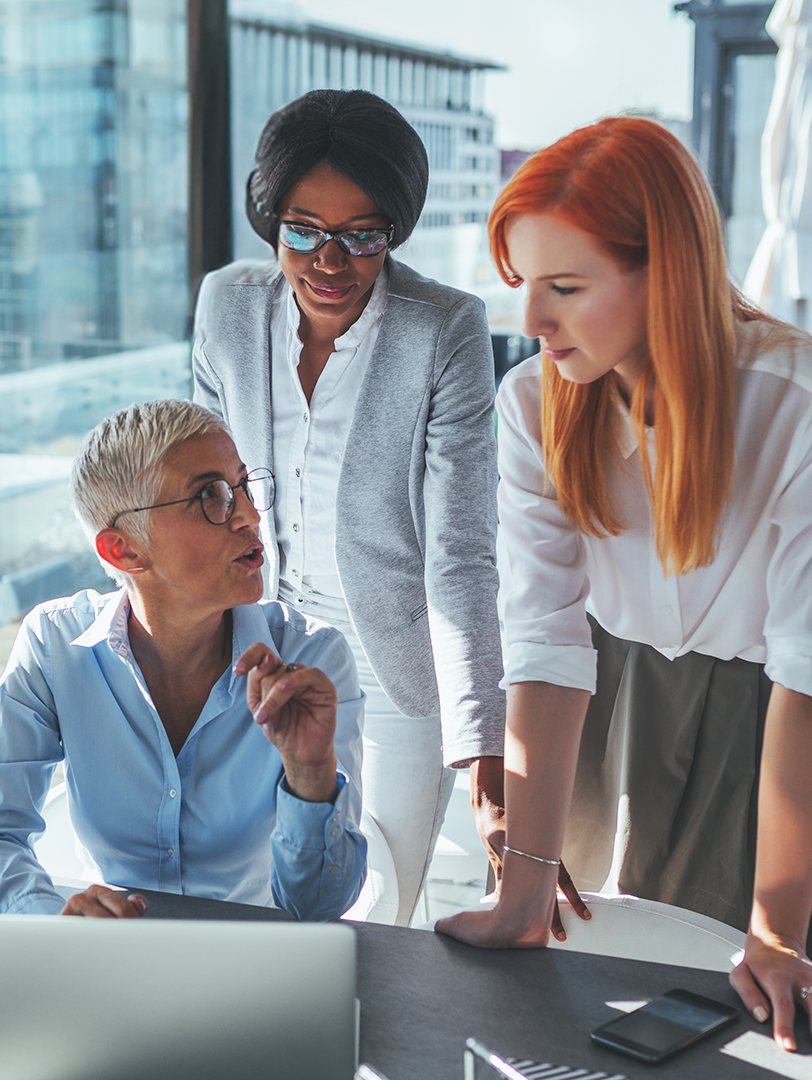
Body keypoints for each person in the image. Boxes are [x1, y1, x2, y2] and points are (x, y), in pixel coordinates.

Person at [435, 116, 812, 1059]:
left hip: (765, 726)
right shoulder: (532, 406)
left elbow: (806, 670)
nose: (532, 324)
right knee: (584, 1016)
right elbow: (545, 645)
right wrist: (520, 889)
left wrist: (780, 935)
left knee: (742, 1026)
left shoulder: (807, 397)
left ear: (661, 272)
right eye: (524, 286)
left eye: (566, 288)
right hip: (600, 712)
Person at [193, 89, 506, 927]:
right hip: (267, 649)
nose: (330, 262)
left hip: (399, 663)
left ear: (394, 232)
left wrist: (480, 739)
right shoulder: (226, 306)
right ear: (271, 222)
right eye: (303, 230)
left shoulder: (445, 329)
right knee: (262, 885)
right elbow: (204, 498)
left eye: (362, 236)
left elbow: (462, 552)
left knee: (382, 909)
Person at [0, 398, 367, 921]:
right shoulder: (53, 645)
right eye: (210, 496)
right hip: (110, 969)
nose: (247, 515)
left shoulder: (309, 662)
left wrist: (310, 775)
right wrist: (51, 924)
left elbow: (319, 909)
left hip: (256, 972)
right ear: (123, 551)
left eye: (243, 486)